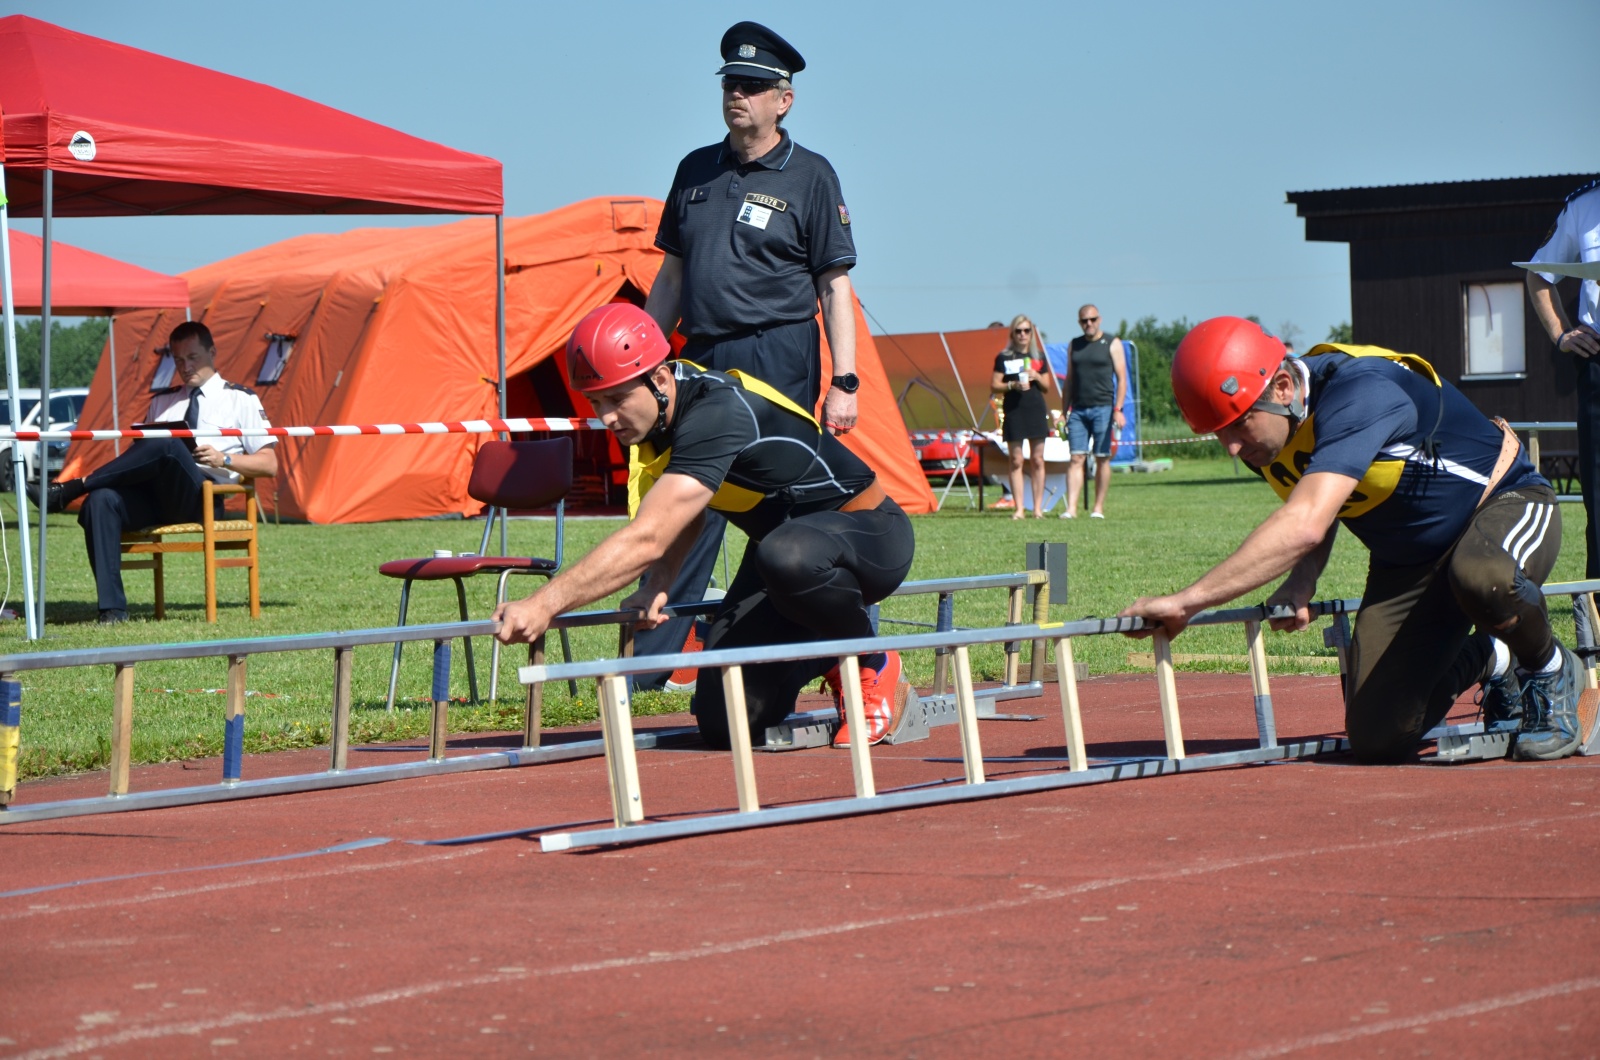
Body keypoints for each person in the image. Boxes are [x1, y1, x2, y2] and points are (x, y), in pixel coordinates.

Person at [1120, 316, 1596, 763]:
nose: (1232, 448)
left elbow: (1305, 521)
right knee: (1377, 735)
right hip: (1408, 562)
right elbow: (1320, 499)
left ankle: (1549, 668)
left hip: (1503, 502)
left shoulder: (1361, 393)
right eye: (1218, 434)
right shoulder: (1268, 431)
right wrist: (1302, 579)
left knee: (1481, 577)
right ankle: (1495, 656)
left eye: (1239, 424)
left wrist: (1186, 603)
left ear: (1282, 387)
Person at [496, 304, 914, 749]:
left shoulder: (716, 412)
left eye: (617, 399)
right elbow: (682, 516)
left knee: (785, 553)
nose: (608, 417)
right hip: (785, 557)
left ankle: (870, 659)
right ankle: (827, 658)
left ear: (660, 379)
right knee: (723, 721)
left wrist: (544, 604)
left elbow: (647, 538)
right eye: (596, 402)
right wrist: (660, 583)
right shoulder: (658, 421)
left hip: (871, 533)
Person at [634, 20, 861, 687]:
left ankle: (813, 654)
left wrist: (845, 380)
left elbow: (834, 286)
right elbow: (671, 278)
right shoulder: (694, 169)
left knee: (782, 507)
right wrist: (646, 361)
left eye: (754, 86)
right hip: (703, 354)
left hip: (779, 353)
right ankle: (651, 667)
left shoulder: (811, 175)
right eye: (732, 83)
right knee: (686, 500)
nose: (738, 94)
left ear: (783, 100)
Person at [47, 322, 277, 624]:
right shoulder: (162, 401)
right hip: (154, 496)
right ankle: (112, 611)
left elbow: (269, 464)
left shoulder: (240, 399)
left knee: (168, 442)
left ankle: (75, 487)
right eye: (178, 360)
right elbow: (139, 460)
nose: (185, 367)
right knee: (100, 501)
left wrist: (224, 458)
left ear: (212, 352)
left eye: (192, 358)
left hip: (201, 498)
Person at [1526, 179, 1600, 627]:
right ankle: (1598, 629)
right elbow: (1538, 273)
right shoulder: (1584, 207)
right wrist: (1561, 334)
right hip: (1598, 365)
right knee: (1599, 500)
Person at [1061, 304, 1128, 519]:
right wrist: (1063, 411)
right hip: (1078, 410)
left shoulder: (1112, 343)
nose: (1088, 324)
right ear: (1079, 322)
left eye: (1092, 319)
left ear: (1099, 319)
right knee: (1076, 458)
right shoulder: (1074, 345)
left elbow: (1122, 379)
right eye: (1084, 320)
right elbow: (1069, 380)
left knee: (1102, 457)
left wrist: (1118, 409)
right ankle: (1071, 509)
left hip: (1104, 409)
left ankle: (1098, 508)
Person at [990, 314, 1053, 519]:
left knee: (1037, 459)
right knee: (1016, 460)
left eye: (1027, 331)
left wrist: (1036, 376)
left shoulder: (1039, 357)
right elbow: (994, 385)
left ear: (1032, 334)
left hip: (1035, 409)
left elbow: (1047, 386)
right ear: (1012, 334)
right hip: (1014, 411)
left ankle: (1037, 509)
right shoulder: (1004, 357)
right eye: (1019, 331)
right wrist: (1012, 385)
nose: (1023, 335)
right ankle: (1019, 508)